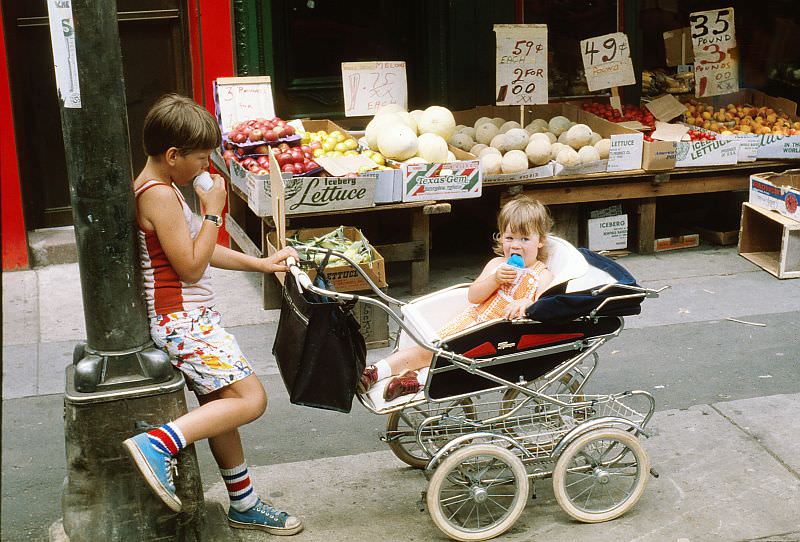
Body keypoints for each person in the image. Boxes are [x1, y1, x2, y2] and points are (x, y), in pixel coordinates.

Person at [122, 94, 302, 536]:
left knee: (221, 405)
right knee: (250, 399)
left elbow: (198, 250)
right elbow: (191, 266)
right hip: (182, 320)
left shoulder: (161, 190)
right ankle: (158, 444)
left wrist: (261, 262)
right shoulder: (160, 196)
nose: (206, 167)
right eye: (202, 158)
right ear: (172, 155)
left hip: (188, 317)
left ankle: (244, 503)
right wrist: (213, 212)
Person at [359, 195, 554, 402]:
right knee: (432, 351)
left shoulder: (542, 274)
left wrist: (527, 303)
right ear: (500, 238)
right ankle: (390, 376)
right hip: (471, 322)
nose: (516, 246)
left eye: (525, 239)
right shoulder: (497, 264)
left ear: (540, 241)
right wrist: (494, 280)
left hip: (499, 336)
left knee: (440, 357)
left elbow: (545, 305)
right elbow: (474, 296)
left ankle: (396, 377)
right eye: (510, 238)